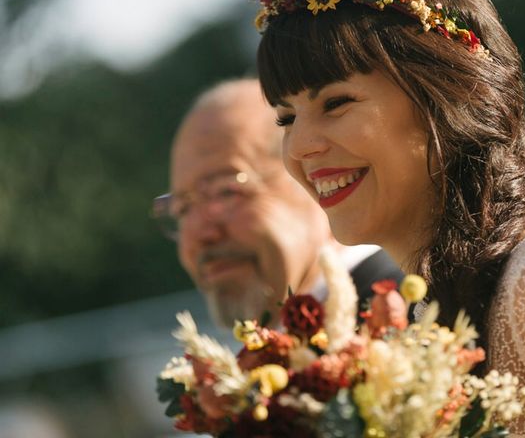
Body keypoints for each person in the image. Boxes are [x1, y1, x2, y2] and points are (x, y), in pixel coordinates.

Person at [253, 0, 525, 437]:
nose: (300, 147)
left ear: (446, 98)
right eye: (285, 119)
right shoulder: (412, 320)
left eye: (336, 103)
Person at [152, 78, 403, 329]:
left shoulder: (404, 321)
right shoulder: (276, 354)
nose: (200, 234)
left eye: (225, 192)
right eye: (182, 208)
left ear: (313, 173)